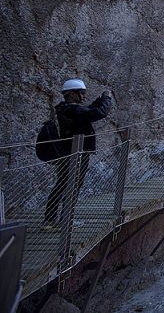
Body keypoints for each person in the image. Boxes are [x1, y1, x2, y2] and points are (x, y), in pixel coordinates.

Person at [42, 79, 112, 231]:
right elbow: (99, 113)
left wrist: (97, 101)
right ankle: (64, 220)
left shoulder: (65, 109)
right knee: (72, 186)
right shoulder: (73, 110)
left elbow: (87, 112)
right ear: (71, 94)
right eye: (80, 93)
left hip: (69, 151)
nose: (83, 96)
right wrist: (106, 99)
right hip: (77, 152)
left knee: (62, 185)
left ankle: (51, 220)